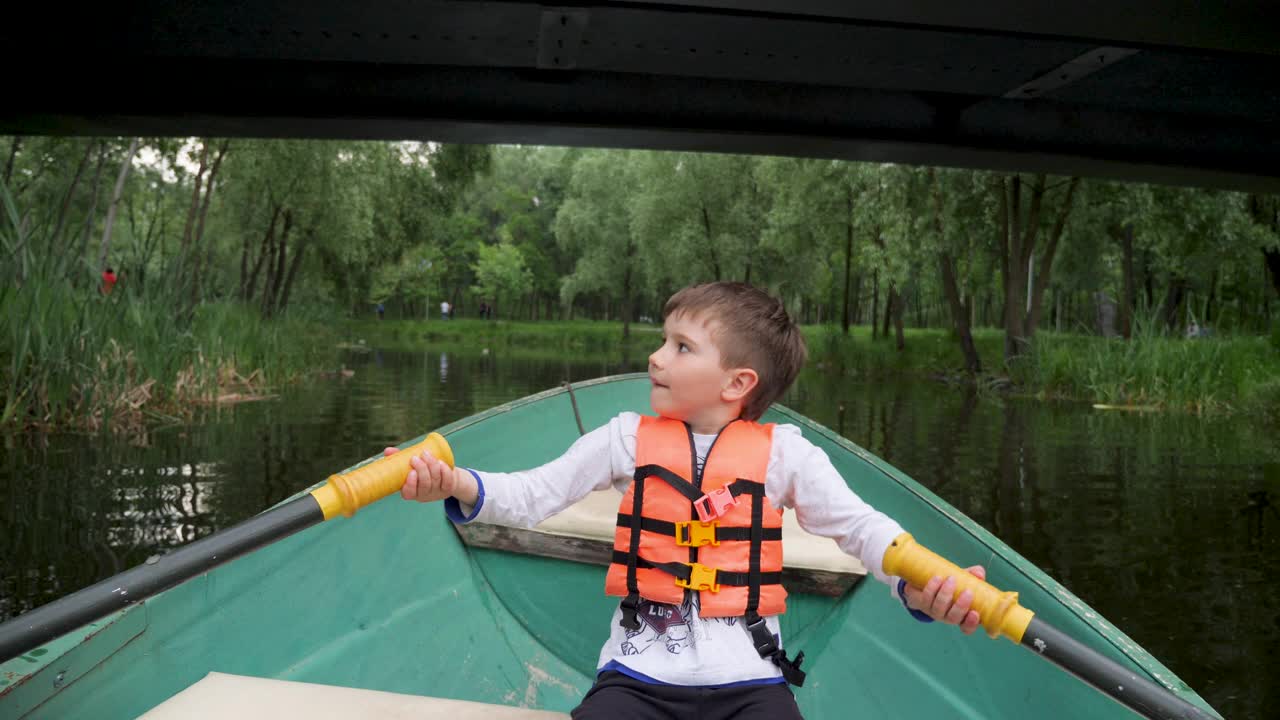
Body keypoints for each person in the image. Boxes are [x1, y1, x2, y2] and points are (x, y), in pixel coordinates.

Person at [390, 282, 984, 718]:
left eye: (681, 347)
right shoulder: (624, 437)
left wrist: (918, 584)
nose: (656, 356)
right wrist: (457, 482)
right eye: (663, 341)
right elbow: (534, 494)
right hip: (635, 678)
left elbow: (863, 531)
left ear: (737, 383)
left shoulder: (788, 455)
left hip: (753, 684)